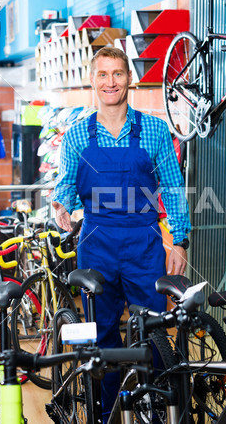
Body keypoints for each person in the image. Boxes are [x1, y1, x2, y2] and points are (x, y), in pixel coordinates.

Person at [52, 47, 191, 421]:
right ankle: (110, 411)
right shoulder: (78, 136)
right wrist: (59, 207)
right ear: (93, 81)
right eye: (102, 74)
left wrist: (179, 240)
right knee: (102, 336)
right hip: (96, 243)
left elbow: (174, 188)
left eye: (117, 74)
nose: (110, 82)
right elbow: (64, 188)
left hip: (144, 244)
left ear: (130, 78)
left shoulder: (156, 130)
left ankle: (156, 410)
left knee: (154, 334)